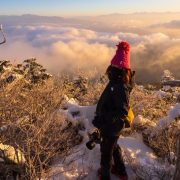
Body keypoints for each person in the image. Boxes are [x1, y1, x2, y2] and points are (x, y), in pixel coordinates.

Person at [92, 41, 135, 180]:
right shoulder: (116, 81)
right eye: (113, 64)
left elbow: (121, 111)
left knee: (106, 151)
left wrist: (102, 119)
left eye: (115, 64)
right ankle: (121, 171)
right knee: (113, 146)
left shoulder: (120, 85)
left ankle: (104, 176)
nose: (112, 66)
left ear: (121, 68)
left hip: (111, 125)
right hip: (111, 125)